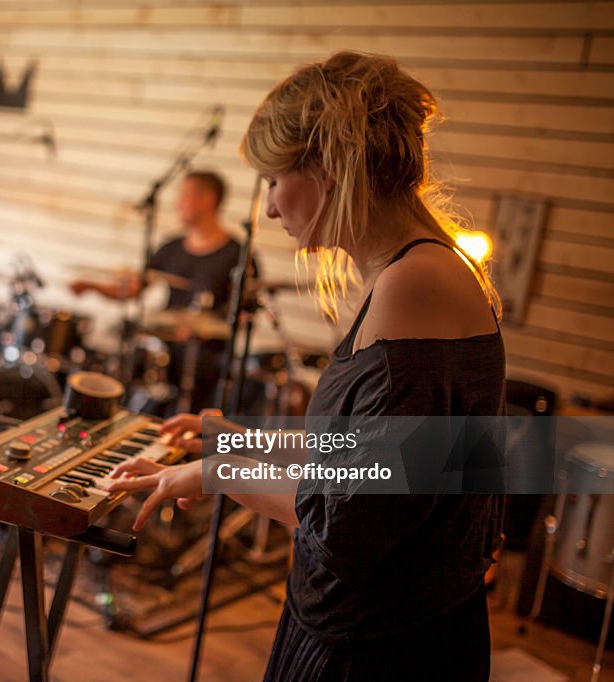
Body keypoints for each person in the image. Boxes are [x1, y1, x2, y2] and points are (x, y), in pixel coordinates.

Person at [107, 51, 505, 681]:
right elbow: (354, 455)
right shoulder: (419, 272)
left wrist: (214, 473)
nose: (267, 208)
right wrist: (237, 439)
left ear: (331, 165)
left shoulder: (413, 288)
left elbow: (347, 519)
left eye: (272, 180)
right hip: (381, 629)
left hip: (378, 649)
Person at [70, 170, 257, 412]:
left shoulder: (237, 255)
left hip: (206, 360)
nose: (178, 203)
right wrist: (91, 286)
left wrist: (203, 329)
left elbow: (242, 315)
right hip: (164, 351)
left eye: (185, 196)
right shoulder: (171, 247)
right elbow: (132, 290)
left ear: (208, 199)